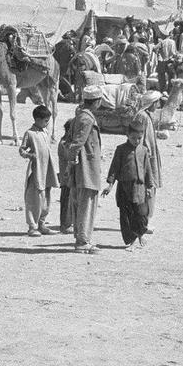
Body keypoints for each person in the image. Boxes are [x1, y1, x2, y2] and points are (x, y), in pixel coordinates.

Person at [104, 119, 158, 249]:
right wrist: (110, 185)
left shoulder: (144, 150)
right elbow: (114, 168)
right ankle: (131, 241)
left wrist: (150, 185)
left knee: (141, 213)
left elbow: (147, 169)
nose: (136, 140)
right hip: (124, 188)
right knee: (126, 215)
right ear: (127, 135)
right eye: (133, 138)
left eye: (139, 138)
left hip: (140, 188)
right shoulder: (121, 150)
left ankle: (140, 234)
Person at [66, 84, 105, 253]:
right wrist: (72, 161)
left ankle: (81, 238)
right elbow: (77, 143)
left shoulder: (80, 116)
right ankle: (83, 241)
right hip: (87, 168)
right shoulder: (87, 119)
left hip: (82, 167)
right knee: (87, 204)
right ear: (96, 102)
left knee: (81, 202)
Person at [18, 104, 57, 235]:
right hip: (37, 170)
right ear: (37, 119)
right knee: (34, 198)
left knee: (46, 197)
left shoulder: (45, 132)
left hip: (47, 170)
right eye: (45, 121)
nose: (47, 124)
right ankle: (32, 226)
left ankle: (42, 223)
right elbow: (22, 150)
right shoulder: (29, 133)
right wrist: (30, 155)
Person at [132, 103, 164, 231]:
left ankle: (146, 221)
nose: (158, 105)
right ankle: (143, 223)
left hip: (150, 157)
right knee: (146, 190)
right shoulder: (142, 117)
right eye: (156, 102)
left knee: (151, 188)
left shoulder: (148, 116)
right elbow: (138, 138)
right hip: (145, 158)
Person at [56, 118, 75, 234]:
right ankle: (65, 225)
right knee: (66, 200)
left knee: (69, 200)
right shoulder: (64, 143)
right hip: (66, 177)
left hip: (68, 177)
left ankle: (68, 223)